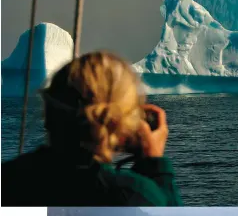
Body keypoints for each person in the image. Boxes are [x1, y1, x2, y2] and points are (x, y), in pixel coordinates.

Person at [2, 51, 182, 206]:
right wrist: (155, 165)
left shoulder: (7, 180)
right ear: (123, 123)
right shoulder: (133, 195)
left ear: (48, 114)